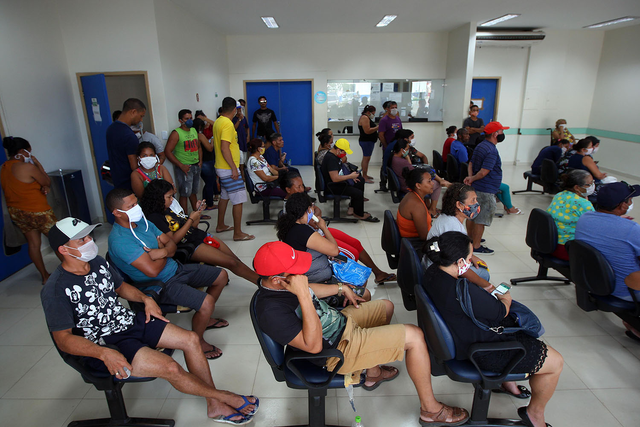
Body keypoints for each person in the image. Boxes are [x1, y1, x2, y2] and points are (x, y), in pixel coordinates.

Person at [42, 217, 259, 424]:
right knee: (171, 368)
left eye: (89, 236)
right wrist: (103, 353)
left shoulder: (97, 262)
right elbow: (63, 340)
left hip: (126, 321)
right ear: (63, 249)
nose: (90, 241)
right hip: (102, 343)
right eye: (82, 240)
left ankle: (214, 404)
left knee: (191, 340)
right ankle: (226, 397)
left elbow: (120, 287)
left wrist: (145, 299)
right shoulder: (55, 289)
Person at [253, 241, 470, 426]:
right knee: (414, 336)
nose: (302, 274)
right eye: (295, 270)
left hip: (339, 324)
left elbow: (311, 290)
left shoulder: (283, 285)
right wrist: (302, 295)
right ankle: (430, 410)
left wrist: (340, 288)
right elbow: (313, 346)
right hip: (333, 352)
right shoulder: (271, 311)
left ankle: (372, 374)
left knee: (385, 306)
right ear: (277, 279)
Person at [423, 232, 563, 427]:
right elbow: (500, 312)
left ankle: (507, 382)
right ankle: (535, 414)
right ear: (460, 260)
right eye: (470, 259)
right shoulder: (462, 291)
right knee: (555, 363)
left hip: (462, 339)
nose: (471, 263)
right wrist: (505, 298)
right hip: (483, 351)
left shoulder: (432, 274)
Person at [106, 188, 228, 359]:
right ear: (116, 213)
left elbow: (171, 245)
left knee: (221, 276)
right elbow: (153, 270)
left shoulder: (143, 223)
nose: (137, 208)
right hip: (160, 283)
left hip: (176, 268)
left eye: (136, 203)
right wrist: (164, 250)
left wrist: (161, 252)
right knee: (207, 303)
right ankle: (198, 340)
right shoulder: (120, 240)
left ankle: (204, 319)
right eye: (131, 206)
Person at [280, 171, 396, 284]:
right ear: (288, 189)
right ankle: (350, 278)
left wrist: (314, 214)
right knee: (352, 254)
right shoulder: (291, 210)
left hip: (318, 230)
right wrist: (315, 219)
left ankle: (378, 273)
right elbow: (310, 225)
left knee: (356, 243)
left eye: (302, 185)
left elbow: (316, 209)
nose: (302, 189)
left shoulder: (299, 200)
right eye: (298, 187)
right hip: (316, 237)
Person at [139, 179, 261, 285]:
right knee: (231, 263)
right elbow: (173, 241)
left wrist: (197, 214)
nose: (172, 200)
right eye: (169, 197)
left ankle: (260, 280)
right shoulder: (155, 217)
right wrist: (190, 219)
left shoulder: (168, 209)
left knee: (235, 260)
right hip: (189, 245)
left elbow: (193, 227)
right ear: (158, 198)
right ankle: (263, 284)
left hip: (198, 236)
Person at [276, 193, 371, 300]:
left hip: (316, 275)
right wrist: (324, 228)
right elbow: (335, 250)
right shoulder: (303, 231)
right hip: (316, 282)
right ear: (308, 209)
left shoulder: (290, 226)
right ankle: (349, 310)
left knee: (361, 279)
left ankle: (350, 306)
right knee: (364, 291)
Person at [1, 136, 57, 284]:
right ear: (21, 152)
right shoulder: (28, 167)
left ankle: (45, 277)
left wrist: (41, 186)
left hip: (18, 213)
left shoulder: (4, 168)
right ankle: (73, 272)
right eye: (28, 153)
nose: (30, 156)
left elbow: (21, 187)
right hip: (38, 211)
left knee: (33, 244)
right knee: (59, 240)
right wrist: (37, 164)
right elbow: (46, 181)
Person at [426, 183, 493, 290]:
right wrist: (488, 286)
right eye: (473, 200)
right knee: (483, 274)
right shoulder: (453, 228)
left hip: (435, 265)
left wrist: (472, 257)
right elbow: (459, 268)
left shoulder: (447, 217)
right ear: (459, 205)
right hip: (440, 272)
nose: (476, 204)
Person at [464, 121, 510, 255]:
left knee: (472, 215)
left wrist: (470, 177)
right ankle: (476, 246)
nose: (502, 134)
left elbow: (471, 163)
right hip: (486, 189)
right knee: (481, 219)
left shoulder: (481, 145)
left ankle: (471, 239)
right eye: (501, 131)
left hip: (476, 188)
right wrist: (472, 178)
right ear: (495, 134)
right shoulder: (491, 150)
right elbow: (484, 172)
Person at [213, 97, 254, 242]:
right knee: (238, 200)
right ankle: (238, 233)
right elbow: (225, 148)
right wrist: (234, 169)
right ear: (235, 109)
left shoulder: (218, 121)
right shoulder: (227, 124)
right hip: (228, 168)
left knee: (224, 197)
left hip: (221, 167)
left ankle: (220, 225)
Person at [320, 139, 378, 222]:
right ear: (338, 150)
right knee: (358, 193)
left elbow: (340, 171)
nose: (345, 154)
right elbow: (335, 178)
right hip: (333, 186)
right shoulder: (331, 159)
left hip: (337, 183)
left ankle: (352, 208)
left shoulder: (334, 156)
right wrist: (349, 176)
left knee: (360, 180)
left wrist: (351, 176)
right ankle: (359, 214)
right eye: (344, 152)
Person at [547, 170, 594, 260]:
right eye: (589, 184)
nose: (592, 187)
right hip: (566, 249)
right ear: (577, 187)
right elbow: (594, 228)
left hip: (551, 243)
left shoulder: (559, 195)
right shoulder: (583, 203)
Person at [165, 109, 202, 214]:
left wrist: (200, 161)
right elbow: (168, 151)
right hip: (185, 167)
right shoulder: (176, 133)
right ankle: (184, 217)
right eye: (187, 119)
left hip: (195, 165)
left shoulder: (194, 130)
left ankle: (196, 214)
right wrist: (181, 165)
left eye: (191, 118)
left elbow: (199, 147)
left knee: (193, 192)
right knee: (184, 193)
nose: (189, 120)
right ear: (180, 120)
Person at [106, 98, 146, 189]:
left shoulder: (111, 129)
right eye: (141, 116)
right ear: (133, 112)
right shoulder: (129, 135)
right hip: (129, 183)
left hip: (117, 180)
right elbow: (134, 166)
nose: (141, 120)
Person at [396, 168, 435, 243]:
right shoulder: (417, 205)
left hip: (408, 241)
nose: (432, 183)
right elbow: (424, 237)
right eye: (429, 181)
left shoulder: (411, 195)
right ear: (418, 185)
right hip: (415, 244)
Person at [194, 111, 220, 210]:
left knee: (207, 183)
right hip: (207, 161)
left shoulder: (193, 135)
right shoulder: (200, 136)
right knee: (209, 183)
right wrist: (212, 141)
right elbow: (209, 148)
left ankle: (205, 203)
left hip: (202, 161)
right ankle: (209, 204)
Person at [377, 101, 402, 191]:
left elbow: (400, 132)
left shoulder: (398, 119)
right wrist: (386, 146)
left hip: (397, 146)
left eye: (395, 107)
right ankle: (383, 183)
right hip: (388, 147)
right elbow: (381, 135)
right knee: (386, 164)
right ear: (387, 109)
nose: (394, 109)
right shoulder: (384, 120)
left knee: (395, 164)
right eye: (392, 108)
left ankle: (394, 184)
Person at [358, 105, 379, 183]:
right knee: (366, 159)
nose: (373, 114)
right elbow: (367, 131)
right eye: (373, 113)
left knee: (366, 158)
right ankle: (364, 176)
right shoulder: (365, 118)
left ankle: (365, 174)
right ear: (368, 112)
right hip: (366, 141)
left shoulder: (367, 118)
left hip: (369, 141)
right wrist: (377, 127)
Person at [232, 102, 250, 170]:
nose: (239, 110)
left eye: (240, 109)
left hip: (244, 140)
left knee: (244, 158)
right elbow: (234, 128)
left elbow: (247, 127)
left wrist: (248, 136)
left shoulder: (244, 118)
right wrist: (239, 119)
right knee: (241, 159)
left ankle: (244, 173)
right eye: (237, 109)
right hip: (237, 141)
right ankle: (242, 176)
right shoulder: (233, 119)